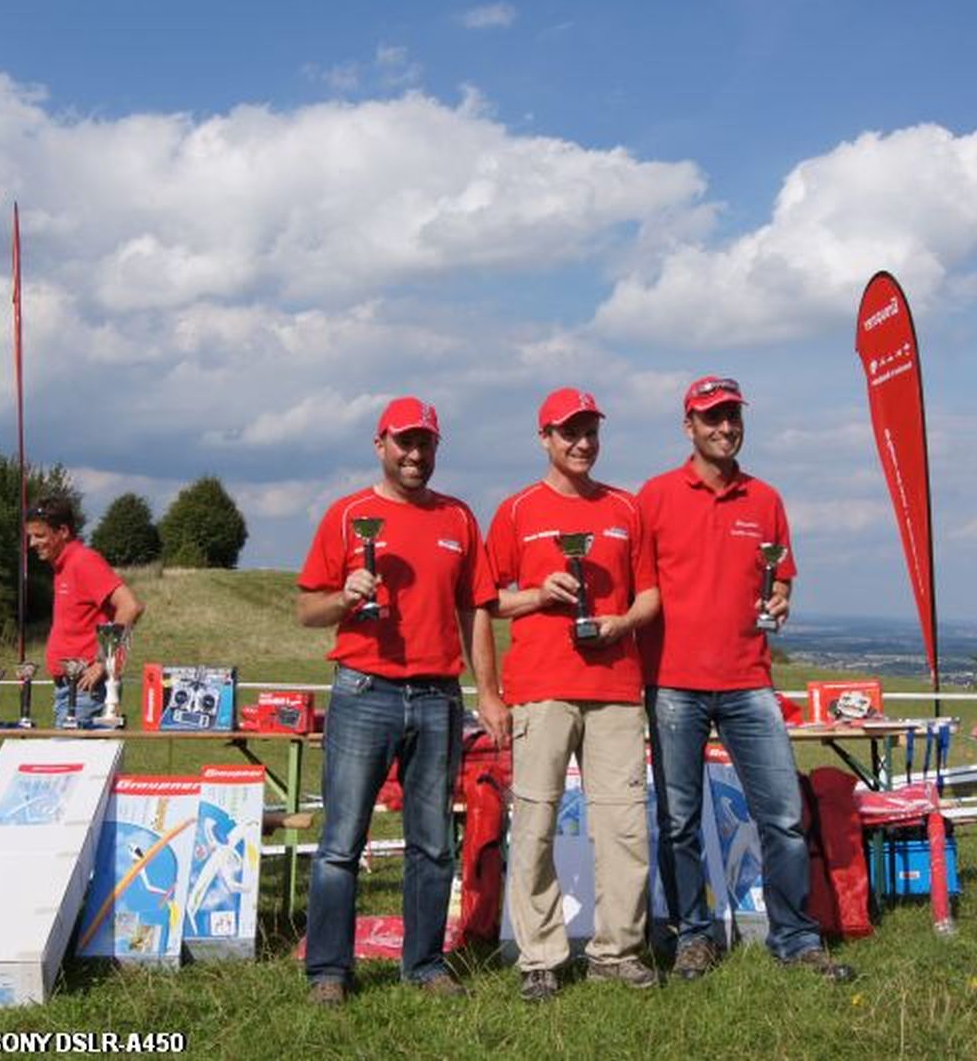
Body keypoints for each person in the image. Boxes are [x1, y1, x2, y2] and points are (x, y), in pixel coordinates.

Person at [638, 375, 854, 982]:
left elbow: (779, 578)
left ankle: (796, 938)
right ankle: (693, 936)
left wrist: (780, 599)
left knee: (782, 816)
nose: (725, 427)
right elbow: (639, 589)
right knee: (678, 822)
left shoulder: (766, 499)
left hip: (749, 680)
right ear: (689, 426)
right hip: (673, 682)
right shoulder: (654, 496)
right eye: (712, 417)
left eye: (733, 416)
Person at [296, 396, 507, 1007]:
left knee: (433, 842)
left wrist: (489, 693)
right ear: (380, 444)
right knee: (342, 841)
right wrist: (343, 598)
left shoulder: (459, 517)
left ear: (437, 448)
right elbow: (307, 610)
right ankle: (329, 971)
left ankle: (424, 964)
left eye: (425, 444)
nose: (415, 454)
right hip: (365, 690)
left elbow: (476, 610)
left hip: (439, 696)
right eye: (404, 442)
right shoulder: (347, 515)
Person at [487, 387, 660, 1003]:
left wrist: (622, 622)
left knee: (624, 827)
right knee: (535, 823)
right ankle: (540, 957)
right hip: (540, 688)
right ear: (545, 438)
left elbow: (650, 594)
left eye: (590, 432)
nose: (583, 443)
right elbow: (488, 600)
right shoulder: (516, 511)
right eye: (569, 433)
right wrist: (540, 595)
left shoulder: (626, 507)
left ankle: (617, 952)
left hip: (615, 688)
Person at [24, 496, 145, 727]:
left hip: (86, 690)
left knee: (72, 750)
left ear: (63, 531)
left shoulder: (83, 561)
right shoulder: (63, 566)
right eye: (30, 536)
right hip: (72, 689)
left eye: (39, 535)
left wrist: (102, 662)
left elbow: (130, 606)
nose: (32, 543)